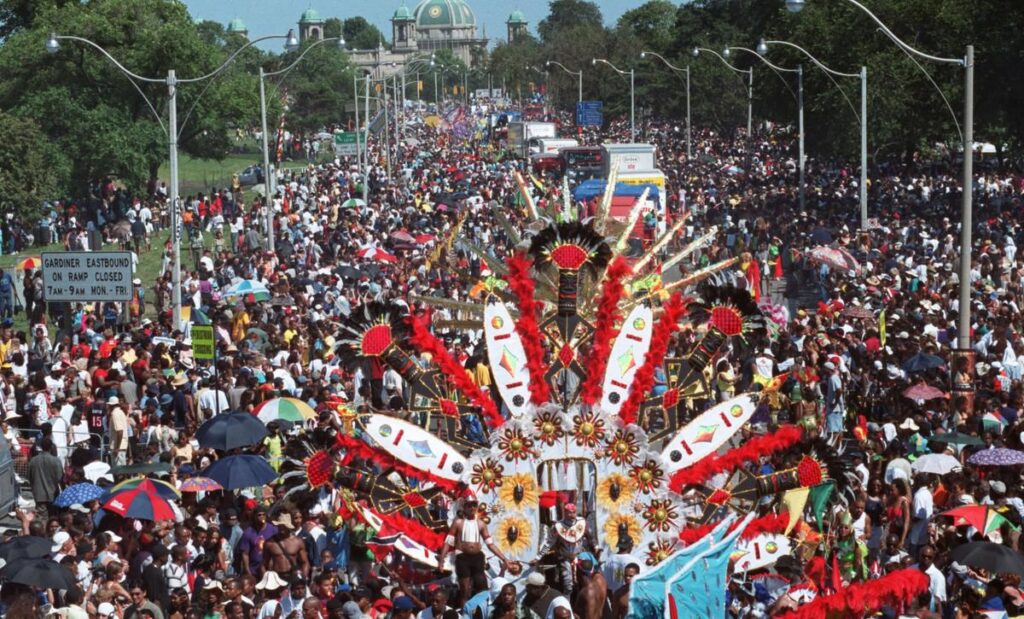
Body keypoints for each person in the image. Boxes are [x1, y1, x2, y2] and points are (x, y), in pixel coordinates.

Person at [437, 498, 511, 603]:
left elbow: (490, 544)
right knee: (465, 591)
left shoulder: (481, 524)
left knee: (482, 587)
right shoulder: (458, 522)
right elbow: (448, 542)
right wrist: (441, 561)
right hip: (462, 558)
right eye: (469, 506)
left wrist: (504, 559)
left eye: (474, 505)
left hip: (477, 558)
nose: (472, 508)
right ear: (464, 507)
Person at [534, 502, 594, 595]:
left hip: (580, 556)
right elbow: (548, 543)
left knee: (585, 580)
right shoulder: (557, 526)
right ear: (564, 513)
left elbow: (590, 536)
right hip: (565, 558)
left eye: (574, 512)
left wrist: (596, 547)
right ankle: (567, 602)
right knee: (568, 584)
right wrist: (538, 557)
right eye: (569, 513)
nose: (572, 515)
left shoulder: (582, 523)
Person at [28, 437, 62, 520]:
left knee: (42, 519)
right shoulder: (56, 461)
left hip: (39, 494)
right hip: (53, 493)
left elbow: (29, 477)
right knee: (53, 518)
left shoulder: (33, 460)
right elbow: (59, 477)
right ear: (51, 447)